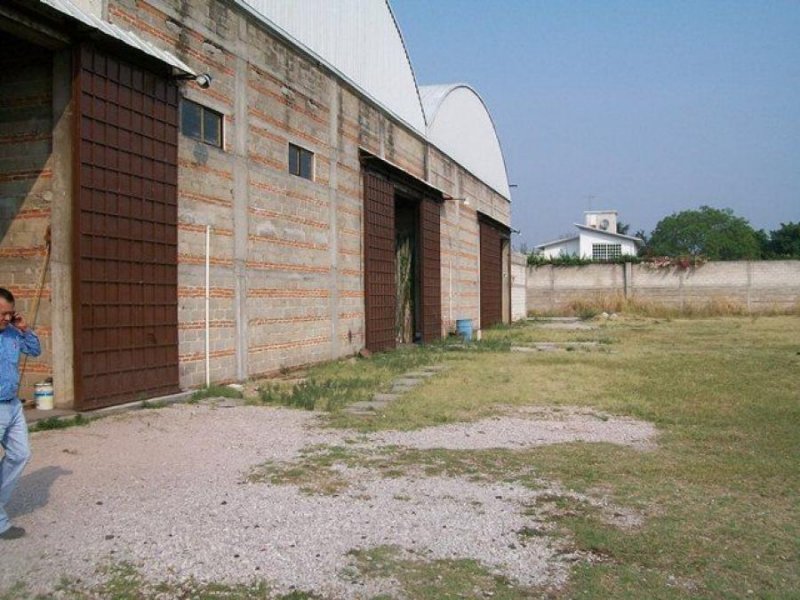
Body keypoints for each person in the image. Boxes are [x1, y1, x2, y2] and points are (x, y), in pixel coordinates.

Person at [0, 287, 40, 540]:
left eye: (9, 314)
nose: (5, 318)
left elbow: (35, 350)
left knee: (21, 454)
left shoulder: (13, 333)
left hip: (12, 405)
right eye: (1, 313)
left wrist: (24, 328)